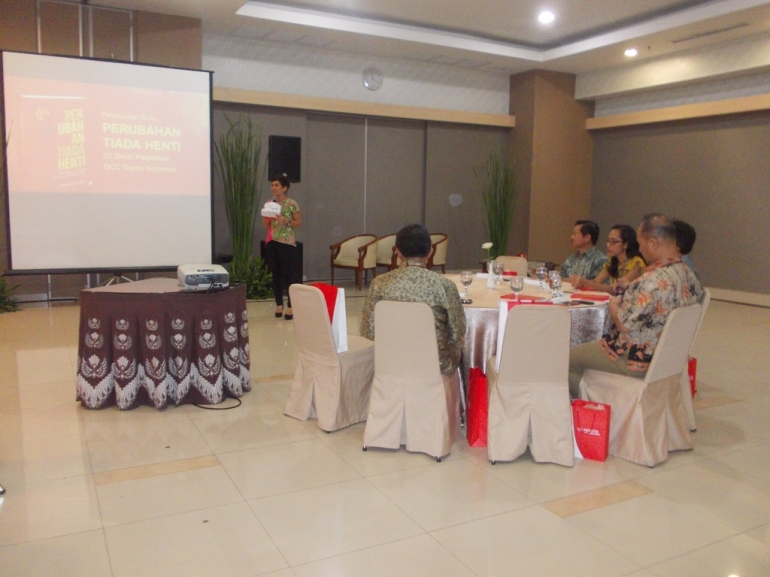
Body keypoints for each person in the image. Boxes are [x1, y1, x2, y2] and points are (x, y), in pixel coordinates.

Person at [568, 213, 704, 396]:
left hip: (635, 358)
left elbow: (624, 325)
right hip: (666, 359)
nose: (639, 250)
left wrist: (614, 307)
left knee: (566, 358)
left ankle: (592, 407)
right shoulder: (690, 276)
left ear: (654, 243)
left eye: (641, 244)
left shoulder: (650, 281)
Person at [360, 224, 466, 376]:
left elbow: (368, 332)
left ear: (398, 252)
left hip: (390, 360)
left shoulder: (379, 284)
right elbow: (458, 331)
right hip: (436, 364)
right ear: (430, 251)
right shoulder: (445, 286)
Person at [262, 174, 302, 320]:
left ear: (284, 188)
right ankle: (279, 303)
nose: (274, 188)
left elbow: (299, 223)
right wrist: (268, 217)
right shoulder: (269, 203)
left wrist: (287, 221)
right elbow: (265, 224)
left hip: (286, 242)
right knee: (275, 274)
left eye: (277, 185)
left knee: (287, 274)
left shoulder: (292, 204)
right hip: (271, 241)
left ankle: (291, 305)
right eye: (272, 185)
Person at [569, 224, 645, 294]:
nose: (608, 245)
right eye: (608, 241)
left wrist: (586, 283)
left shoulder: (636, 263)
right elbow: (596, 282)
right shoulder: (612, 261)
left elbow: (616, 289)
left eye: (613, 242)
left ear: (626, 244)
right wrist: (581, 282)